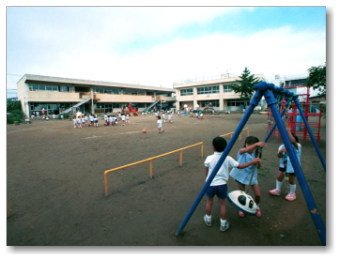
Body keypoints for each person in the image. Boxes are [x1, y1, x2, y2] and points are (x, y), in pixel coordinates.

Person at [203, 137, 261, 231]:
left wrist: (207, 181)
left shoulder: (209, 158)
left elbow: (206, 172)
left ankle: (208, 219)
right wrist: (253, 162)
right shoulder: (228, 158)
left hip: (210, 184)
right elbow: (240, 166)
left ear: (213, 147)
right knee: (222, 204)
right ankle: (223, 223)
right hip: (222, 185)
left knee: (209, 201)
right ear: (226, 148)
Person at [230, 136, 265, 217]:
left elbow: (258, 167)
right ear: (246, 144)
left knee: (258, 194)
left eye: (252, 145)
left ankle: (256, 206)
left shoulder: (256, 154)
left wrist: (258, 162)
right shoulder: (241, 151)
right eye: (248, 144)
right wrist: (256, 144)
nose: (250, 147)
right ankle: (241, 208)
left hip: (252, 176)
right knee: (242, 194)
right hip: (240, 175)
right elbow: (245, 150)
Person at [269, 127, 302, 201]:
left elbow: (293, 141)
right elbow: (278, 156)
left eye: (288, 138)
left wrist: (288, 131)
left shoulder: (297, 146)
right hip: (283, 164)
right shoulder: (281, 146)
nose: (286, 140)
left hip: (293, 165)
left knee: (291, 179)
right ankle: (278, 189)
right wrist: (280, 151)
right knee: (279, 175)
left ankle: (292, 193)